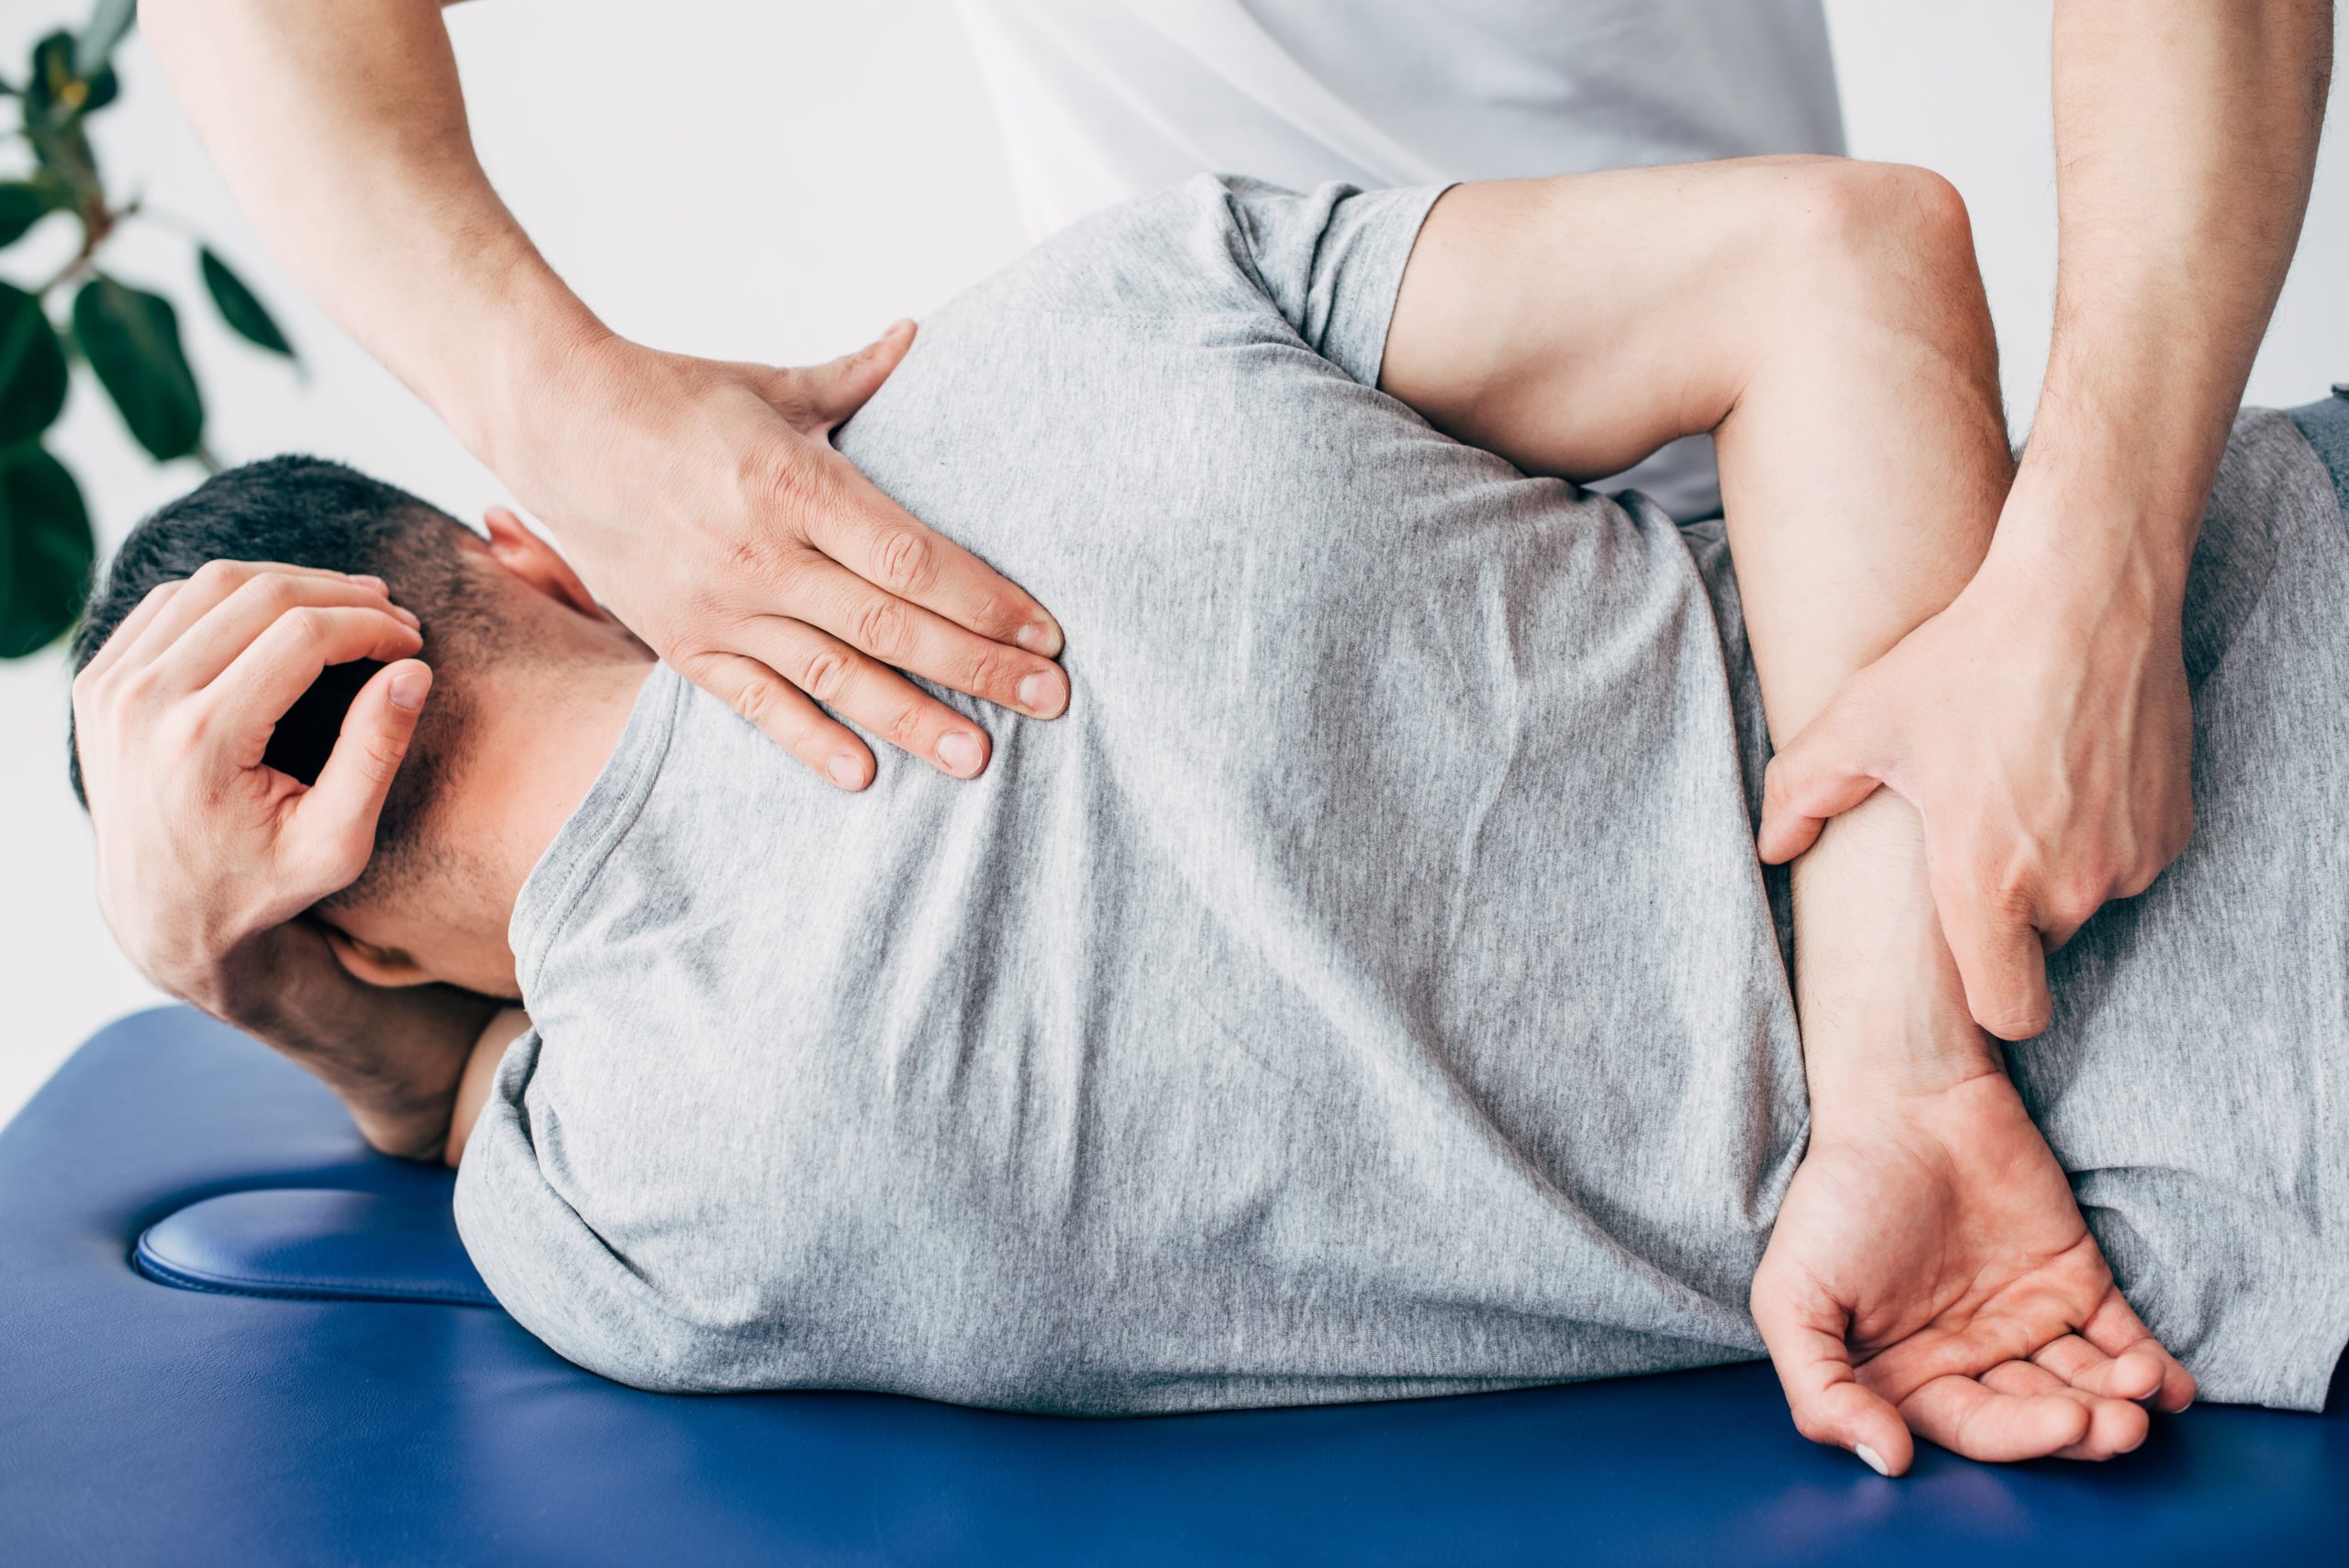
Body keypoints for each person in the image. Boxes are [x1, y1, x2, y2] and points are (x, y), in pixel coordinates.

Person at [71, 159, 2349, 1474]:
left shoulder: (641, 1219)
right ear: (534, 548)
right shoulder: (1067, 326)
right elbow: (1849, 255)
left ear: (335, 933)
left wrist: (227, 969)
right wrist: (1899, 1065)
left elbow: (437, 1091)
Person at [140, 0, 2333, 1046]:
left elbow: (1839, 275)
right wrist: (568, 403)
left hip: (1791, 507)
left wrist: (2098, 562)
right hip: (1263, 508)